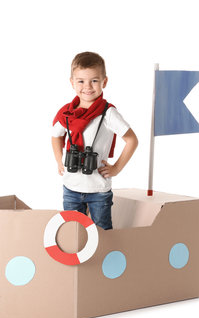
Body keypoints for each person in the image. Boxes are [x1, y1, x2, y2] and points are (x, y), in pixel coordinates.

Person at [51, 51, 138, 230]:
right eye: (81, 81)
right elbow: (56, 136)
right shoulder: (66, 113)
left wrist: (116, 168)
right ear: (72, 82)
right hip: (71, 187)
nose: (87, 86)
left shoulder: (108, 114)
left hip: (98, 189)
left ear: (104, 82)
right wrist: (60, 160)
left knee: (102, 232)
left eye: (94, 81)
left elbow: (132, 140)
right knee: (72, 232)